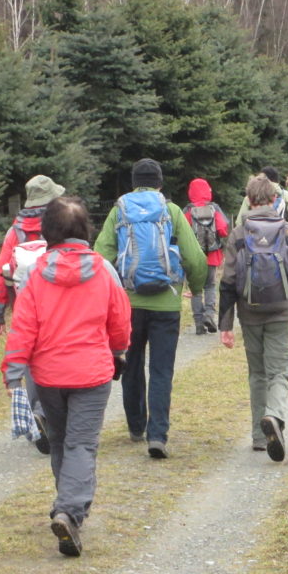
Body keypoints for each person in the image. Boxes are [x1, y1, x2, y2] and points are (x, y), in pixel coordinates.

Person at [1, 196, 131, 557]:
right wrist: (119, 350)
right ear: (85, 229)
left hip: (48, 375)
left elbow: (23, 329)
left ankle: (68, 506)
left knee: (60, 442)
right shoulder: (104, 270)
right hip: (92, 373)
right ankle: (69, 511)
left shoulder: (36, 274)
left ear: (48, 231)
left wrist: (13, 372)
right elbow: (119, 321)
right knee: (81, 444)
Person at [94, 158, 208, 459]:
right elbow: (195, 258)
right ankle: (157, 434)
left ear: (134, 182)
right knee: (161, 370)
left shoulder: (119, 210)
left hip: (127, 303)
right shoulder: (170, 211)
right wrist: (196, 289)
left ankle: (135, 425)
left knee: (130, 364)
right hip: (167, 302)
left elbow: (100, 256)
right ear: (160, 183)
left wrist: (109, 294)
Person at [219, 174, 288, 461]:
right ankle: (274, 416)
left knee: (257, 373)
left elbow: (228, 281)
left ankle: (260, 438)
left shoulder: (238, 234)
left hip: (250, 312)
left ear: (248, 200)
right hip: (282, 310)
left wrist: (226, 324)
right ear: (275, 199)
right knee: (280, 372)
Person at [0, 175, 66, 455]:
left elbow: (0, 272)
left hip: (25, 306)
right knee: (60, 356)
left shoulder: (15, 231)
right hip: (60, 303)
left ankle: (38, 411)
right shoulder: (60, 222)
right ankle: (54, 412)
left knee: (32, 363)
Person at [183, 177, 230, 335]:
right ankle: (209, 314)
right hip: (212, 255)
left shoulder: (188, 210)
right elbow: (223, 230)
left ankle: (198, 324)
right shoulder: (214, 208)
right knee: (210, 286)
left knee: (196, 289)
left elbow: (182, 233)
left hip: (195, 258)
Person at [235, 166, 288, 231]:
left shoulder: (250, 196)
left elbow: (239, 223)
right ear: (277, 181)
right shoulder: (287, 196)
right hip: (281, 241)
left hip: (253, 240)